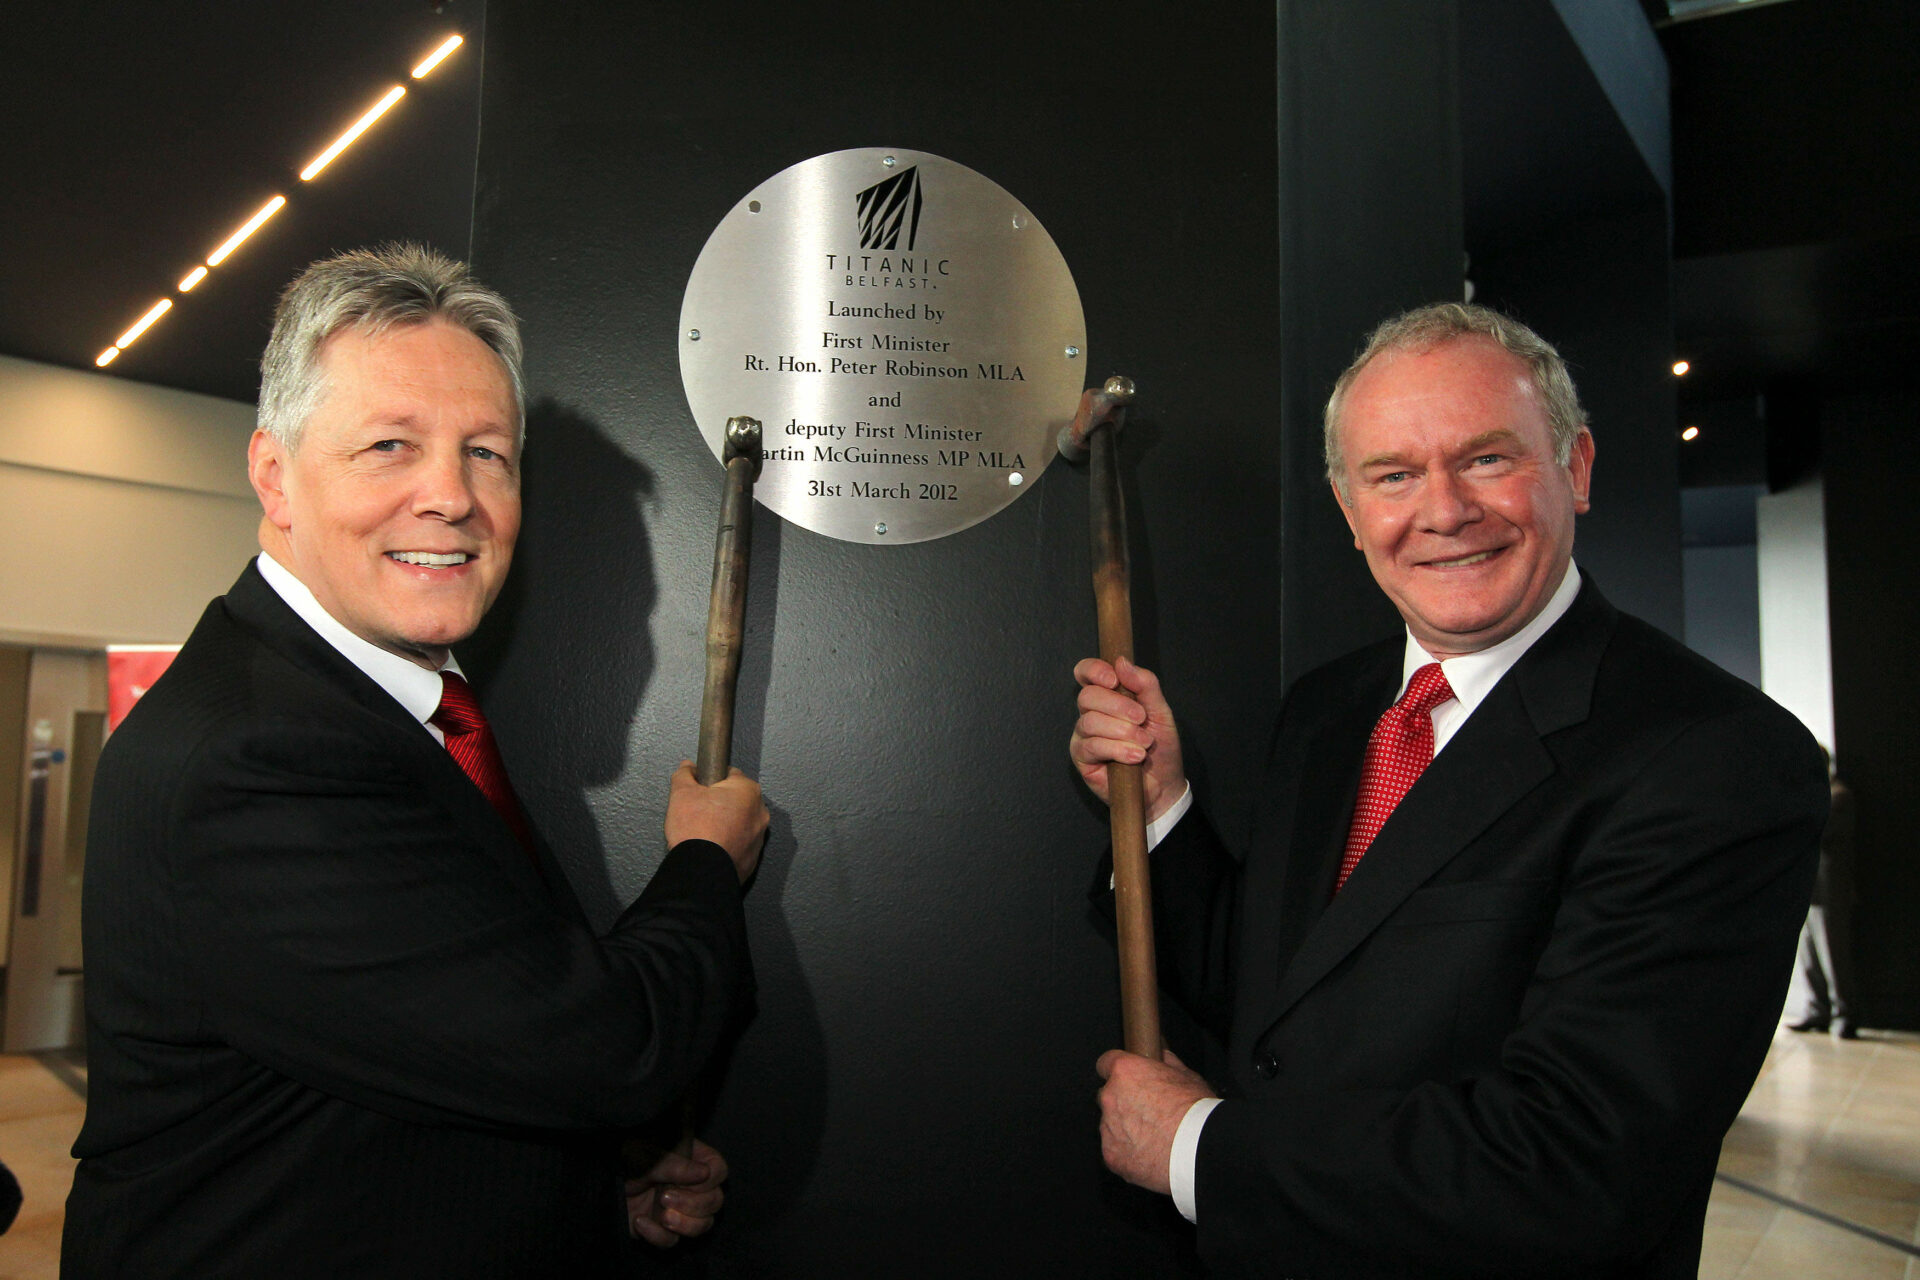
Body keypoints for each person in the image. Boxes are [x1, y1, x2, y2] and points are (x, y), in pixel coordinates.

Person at [1069, 303, 1826, 1278]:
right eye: (1393, 474)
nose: (1443, 509)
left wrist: (1197, 1148)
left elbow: (1578, 1165)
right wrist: (1163, 803)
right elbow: (1278, 1003)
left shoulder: (1717, 756)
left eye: (1486, 459)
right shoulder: (1328, 709)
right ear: (1350, 511)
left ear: (1578, 468)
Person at [64, 244, 768, 1278]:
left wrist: (590, 1200)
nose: (450, 496)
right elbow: (608, 1051)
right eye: (390, 444)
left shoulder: (386, 716)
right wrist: (706, 860)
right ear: (275, 472)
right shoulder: (256, 761)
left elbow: (405, 1076)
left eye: (487, 452)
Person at [1787, 745, 1858, 1038]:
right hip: (1811, 891)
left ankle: (1846, 1016)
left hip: (1830, 893)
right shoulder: (1817, 795)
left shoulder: (1838, 796)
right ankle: (1818, 1011)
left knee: (1833, 955)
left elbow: (1814, 831)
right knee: (1809, 955)